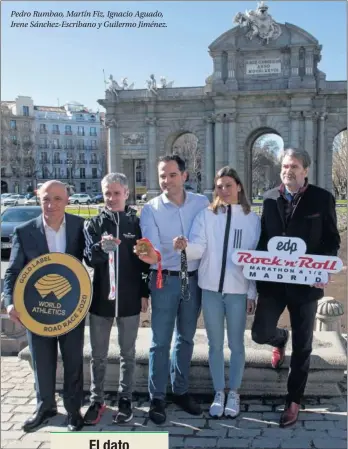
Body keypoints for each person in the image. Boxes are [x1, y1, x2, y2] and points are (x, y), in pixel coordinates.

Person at [251, 148, 340, 427]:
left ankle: (293, 400)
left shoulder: (322, 199)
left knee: (304, 344)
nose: (288, 170)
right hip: (273, 282)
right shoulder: (267, 199)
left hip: (305, 284)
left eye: (294, 166)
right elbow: (262, 240)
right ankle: (279, 339)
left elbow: (331, 240)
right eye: (285, 166)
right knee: (259, 332)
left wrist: (322, 268)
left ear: (305, 171)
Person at [174, 166, 261, 418]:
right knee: (214, 344)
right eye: (219, 186)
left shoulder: (252, 219)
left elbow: (254, 260)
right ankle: (218, 392)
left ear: (239, 187)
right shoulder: (206, 216)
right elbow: (199, 249)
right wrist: (184, 248)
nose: (223, 190)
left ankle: (234, 391)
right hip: (210, 290)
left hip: (238, 291)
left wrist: (252, 293)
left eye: (228, 185)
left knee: (236, 344)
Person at [3, 180, 86, 432]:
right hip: (36, 309)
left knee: (73, 359)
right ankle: (45, 406)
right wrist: (9, 303)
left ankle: (73, 411)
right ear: (39, 200)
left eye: (57, 199)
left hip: (72, 307)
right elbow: (12, 273)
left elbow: (93, 259)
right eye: (45, 199)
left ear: (67, 201)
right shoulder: (24, 231)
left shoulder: (80, 227)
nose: (51, 205)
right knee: (42, 360)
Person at [83, 173, 158, 425]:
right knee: (98, 355)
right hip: (101, 301)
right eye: (107, 193)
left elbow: (145, 263)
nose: (111, 198)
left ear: (127, 193)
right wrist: (99, 250)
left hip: (128, 300)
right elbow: (87, 259)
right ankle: (97, 400)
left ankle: (126, 399)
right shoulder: (93, 224)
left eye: (116, 193)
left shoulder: (136, 225)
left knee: (128, 354)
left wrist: (145, 293)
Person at [140, 154, 209, 424]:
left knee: (187, 338)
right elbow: (153, 247)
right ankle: (156, 396)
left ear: (184, 176)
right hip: (164, 278)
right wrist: (152, 252)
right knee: (160, 342)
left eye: (172, 175)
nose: (166, 180)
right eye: (162, 176)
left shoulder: (202, 204)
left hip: (192, 279)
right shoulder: (151, 209)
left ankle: (180, 390)